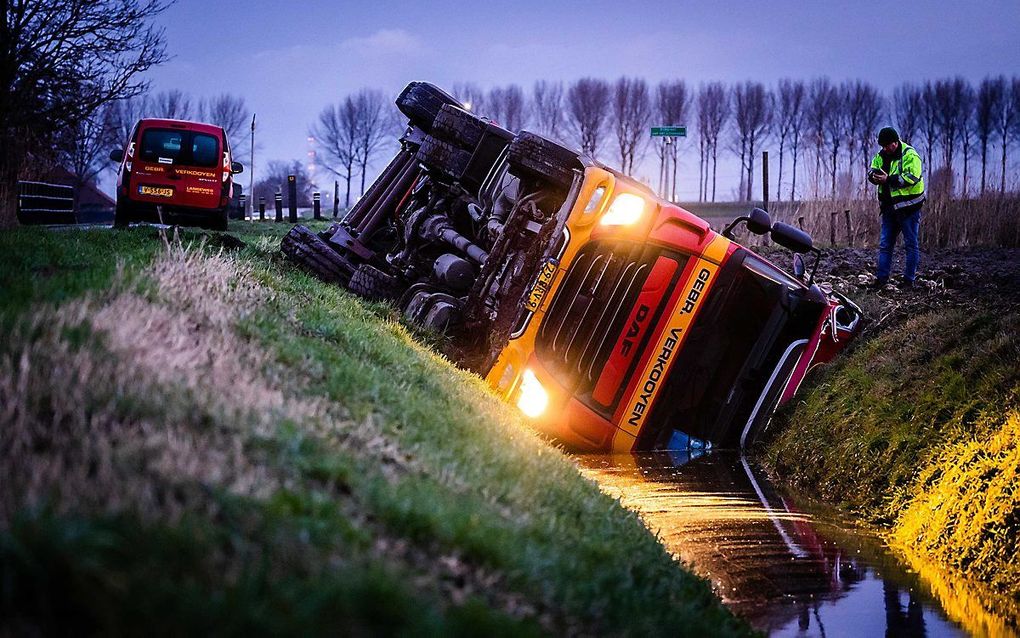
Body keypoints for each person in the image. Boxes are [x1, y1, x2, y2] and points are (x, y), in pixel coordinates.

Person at [867, 127, 925, 289]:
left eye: (887, 145)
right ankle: (881, 280)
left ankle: (908, 281)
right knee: (885, 245)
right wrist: (874, 177)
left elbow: (912, 177)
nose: (885, 149)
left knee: (911, 244)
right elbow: (871, 170)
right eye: (883, 146)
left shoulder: (910, 155)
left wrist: (887, 179)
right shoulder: (880, 156)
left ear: (895, 142)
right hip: (889, 209)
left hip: (909, 209)